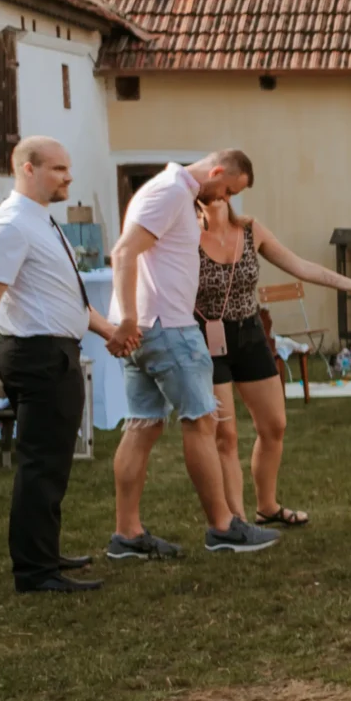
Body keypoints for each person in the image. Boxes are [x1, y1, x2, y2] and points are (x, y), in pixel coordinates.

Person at [0, 137, 120, 593]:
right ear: (27, 169)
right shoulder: (11, 224)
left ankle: (44, 553)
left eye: (68, 169)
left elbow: (61, 295)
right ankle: (34, 570)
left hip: (55, 352)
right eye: (58, 169)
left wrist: (109, 333)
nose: (68, 177)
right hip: (37, 354)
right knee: (41, 462)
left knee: (54, 460)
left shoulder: (41, 221)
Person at [108, 152, 281, 556]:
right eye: (226, 190)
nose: (222, 199)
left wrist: (133, 321)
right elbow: (123, 253)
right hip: (167, 328)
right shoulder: (170, 192)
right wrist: (128, 318)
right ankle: (223, 527)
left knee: (144, 426)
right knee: (202, 422)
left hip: (149, 329)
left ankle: (127, 535)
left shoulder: (165, 192)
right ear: (217, 172)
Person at [196, 194, 351, 528]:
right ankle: (237, 522)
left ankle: (267, 506)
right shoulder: (185, 235)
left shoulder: (250, 230)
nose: (216, 195)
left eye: (223, 188)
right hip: (204, 340)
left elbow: (301, 266)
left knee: (274, 425)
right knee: (226, 435)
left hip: (249, 334)